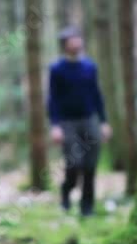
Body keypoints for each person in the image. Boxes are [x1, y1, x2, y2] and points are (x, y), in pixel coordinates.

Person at [47, 28, 112, 216]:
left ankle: (87, 208)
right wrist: (55, 126)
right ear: (65, 45)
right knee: (74, 164)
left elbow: (96, 95)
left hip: (90, 119)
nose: (76, 42)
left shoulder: (90, 67)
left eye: (78, 38)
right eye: (72, 40)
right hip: (67, 123)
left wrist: (104, 122)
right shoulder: (57, 69)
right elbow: (53, 99)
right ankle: (66, 191)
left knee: (90, 165)